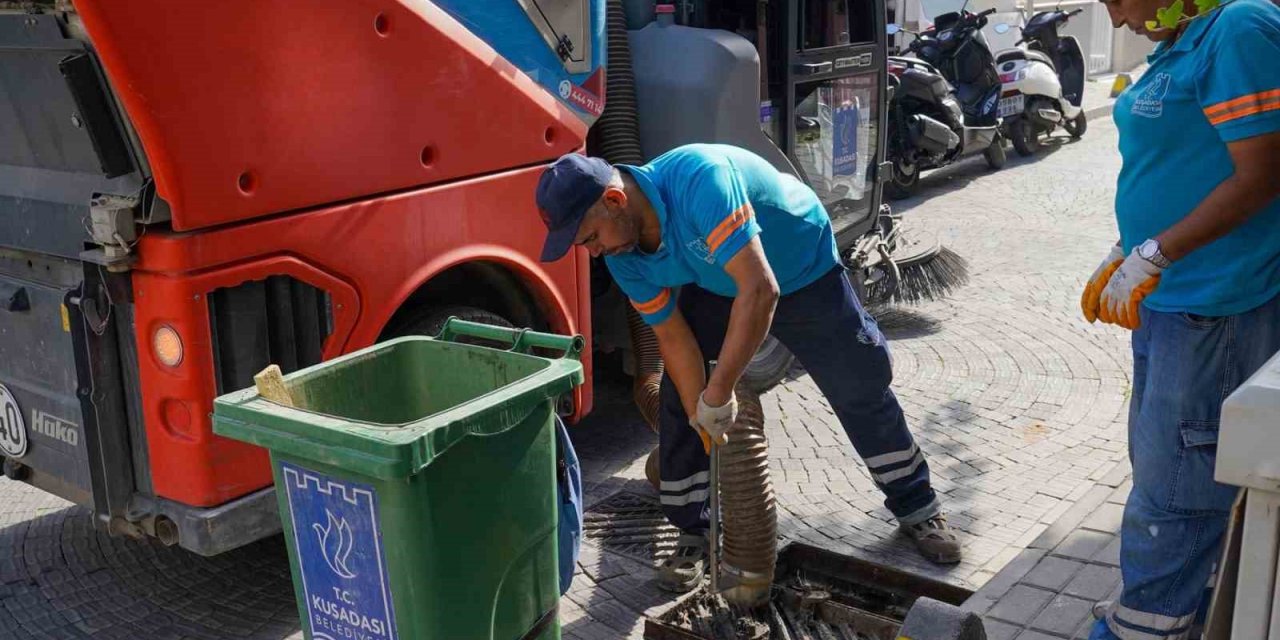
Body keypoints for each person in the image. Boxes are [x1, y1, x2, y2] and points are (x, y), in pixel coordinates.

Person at [534, 143, 961, 592]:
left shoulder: (701, 180)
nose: (594, 253)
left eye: (589, 238)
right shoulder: (625, 257)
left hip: (801, 267)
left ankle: (918, 507)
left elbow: (760, 291)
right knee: (682, 400)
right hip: (717, 279)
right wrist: (703, 410)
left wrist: (719, 392)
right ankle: (693, 530)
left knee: (859, 383)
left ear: (615, 201)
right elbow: (673, 339)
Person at [1080, 0, 1280, 635]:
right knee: (1162, 467)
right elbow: (1184, 165)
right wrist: (1129, 246)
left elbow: (1265, 172)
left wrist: (1158, 251)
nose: (1114, 20)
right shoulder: (1183, 41)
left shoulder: (1240, 28)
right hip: (1172, 302)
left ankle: (1143, 626)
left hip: (1211, 308)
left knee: (1176, 494)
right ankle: (1175, 610)